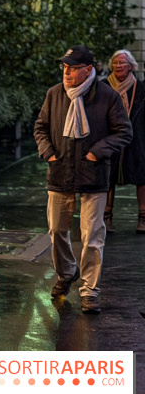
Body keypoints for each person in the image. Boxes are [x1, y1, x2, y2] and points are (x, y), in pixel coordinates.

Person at [33, 45, 132, 315]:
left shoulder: (107, 96)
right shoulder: (55, 94)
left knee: (92, 236)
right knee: (57, 231)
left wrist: (96, 153)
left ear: (88, 69)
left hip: (94, 175)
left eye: (73, 68)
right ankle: (66, 274)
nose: (67, 72)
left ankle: (90, 290)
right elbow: (40, 127)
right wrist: (49, 154)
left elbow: (124, 132)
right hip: (60, 171)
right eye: (65, 67)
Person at [102, 50, 145, 234]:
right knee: (107, 176)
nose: (119, 65)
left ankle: (143, 217)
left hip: (137, 139)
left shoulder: (141, 88)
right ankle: (106, 216)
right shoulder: (103, 87)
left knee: (142, 176)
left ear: (131, 66)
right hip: (110, 138)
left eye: (123, 62)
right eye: (116, 62)